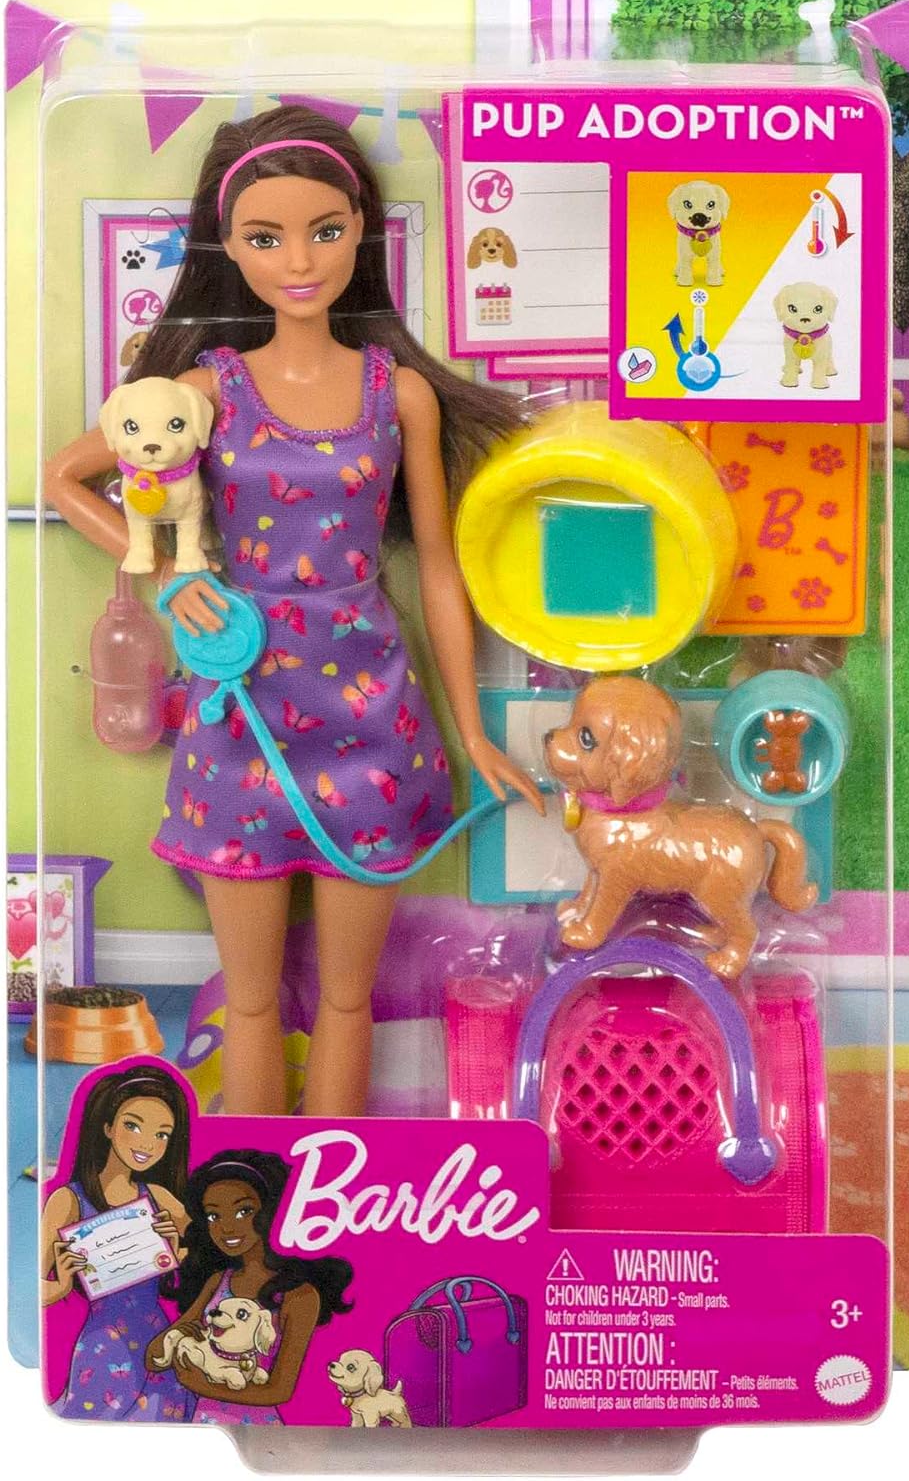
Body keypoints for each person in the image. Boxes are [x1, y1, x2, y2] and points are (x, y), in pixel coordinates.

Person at [45, 104, 544, 1117]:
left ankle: (335, 1188)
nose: (300, 261)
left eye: (323, 229)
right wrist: (172, 573)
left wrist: (470, 730)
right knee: (254, 999)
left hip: (375, 715)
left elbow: (438, 568)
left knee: (350, 999)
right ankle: (251, 1187)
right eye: (265, 237)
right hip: (243, 707)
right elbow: (66, 476)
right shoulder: (207, 391)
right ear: (227, 247)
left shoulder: (399, 394)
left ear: (360, 230)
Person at [147, 1150, 352, 1424]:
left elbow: (279, 1390)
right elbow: (153, 1357)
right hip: (204, 1425)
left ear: (270, 1210)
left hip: (260, 1429)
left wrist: (200, 1384)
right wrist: (179, 1334)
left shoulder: (298, 1295)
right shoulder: (219, 1281)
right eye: (213, 1216)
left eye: (243, 1211)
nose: (227, 1227)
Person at [41, 1066, 192, 1421]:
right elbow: (23, 1290)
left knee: (165, 1424)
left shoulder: (158, 1197)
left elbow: (205, 1258)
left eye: (162, 1135)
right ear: (107, 1127)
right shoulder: (69, 1200)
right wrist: (60, 1285)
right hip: (104, 1343)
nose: (147, 1144)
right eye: (133, 1126)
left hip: (156, 1339)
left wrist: (177, 1250)